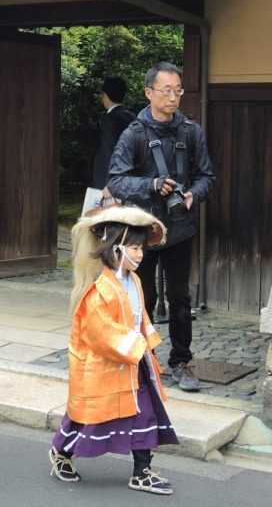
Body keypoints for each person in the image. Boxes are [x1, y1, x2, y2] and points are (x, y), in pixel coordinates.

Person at [48, 204, 178, 494]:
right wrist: (137, 346)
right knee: (88, 417)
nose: (140, 253)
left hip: (133, 361)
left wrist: (148, 348)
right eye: (134, 247)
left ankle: (141, 471)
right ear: (115, 249)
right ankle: (62, 453)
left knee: (145, 413)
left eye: (142, 247)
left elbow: (141, 318)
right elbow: (100, 333)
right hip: (103, 365)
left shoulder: (135, 281)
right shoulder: (97, 291)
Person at [107, 61, 216, 392]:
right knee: (143, 296)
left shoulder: (191, 131)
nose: (173, 97)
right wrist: (151, 185)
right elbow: (116, 180)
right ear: (149, 93)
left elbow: (207, 177)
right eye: (166, 90)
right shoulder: (134, 134)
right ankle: (144, 360)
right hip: (142, 231)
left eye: (177, 90)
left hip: (180, 229)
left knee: (181, 298)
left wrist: (192, 196)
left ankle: (181, 361)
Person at [92, 77, 136, 190]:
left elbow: (109, 151)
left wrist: (110, 182)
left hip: (111, 181)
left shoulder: (109, 120)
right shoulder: (132, 117)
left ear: (105, 96)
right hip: (129, 177)